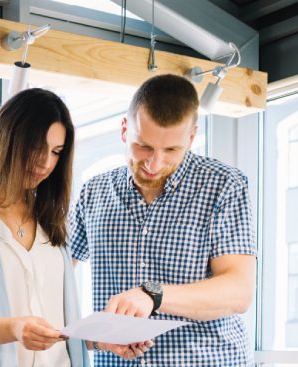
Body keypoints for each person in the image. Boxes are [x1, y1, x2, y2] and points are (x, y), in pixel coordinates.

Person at [69, 74, 256, 366]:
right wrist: (91, 338)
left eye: (171, 150)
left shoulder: (224, 185)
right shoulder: (93, 192)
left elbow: (238, 292)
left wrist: (153, 295)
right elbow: (55, 277)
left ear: (191, 138)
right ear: (124, 130)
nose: (154, 164)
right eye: (143, 146)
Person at [0, 88, 112, 366]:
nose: (45, 163)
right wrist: (13, 328)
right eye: (36, 148)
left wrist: (98, 340)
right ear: (9, 140)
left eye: (56, 152)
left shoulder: (52, 216)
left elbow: (55, 322)